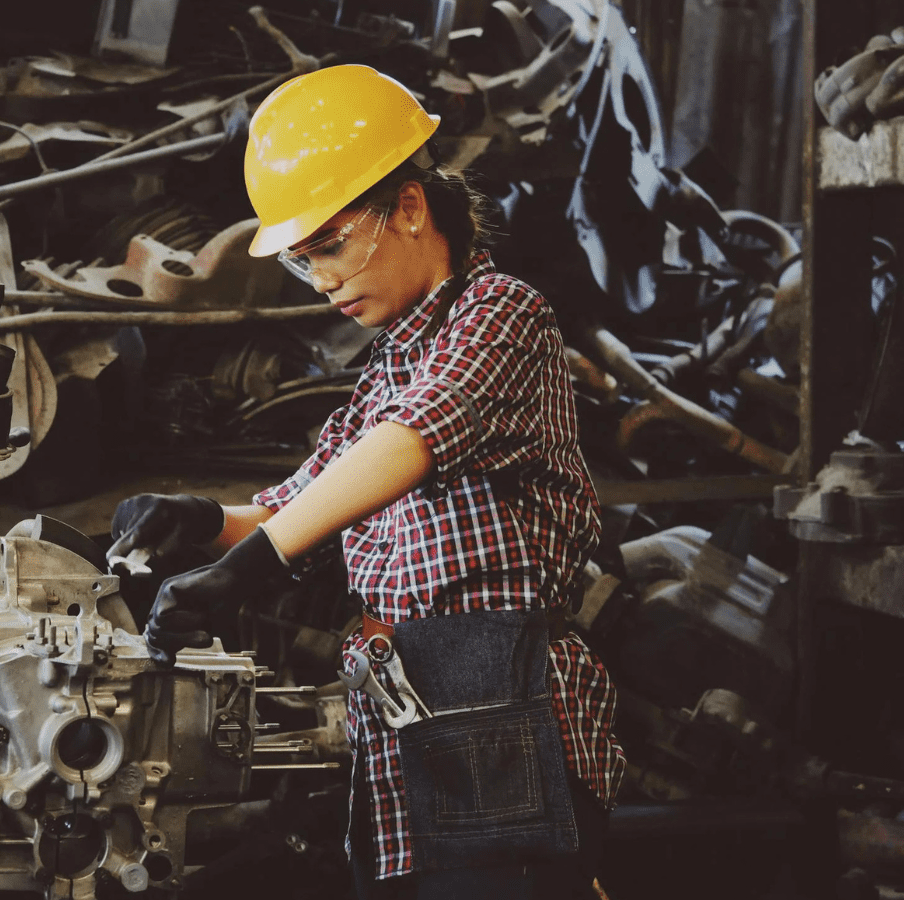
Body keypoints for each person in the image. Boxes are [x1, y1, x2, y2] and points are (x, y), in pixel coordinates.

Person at [107, 64, 625, 899]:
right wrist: (200, 520)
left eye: (331, 245)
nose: (321, 280)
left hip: (499, 703)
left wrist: (249, 567)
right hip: (402, 709)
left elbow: (411, 442)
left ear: (410, 208)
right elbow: (298, 505)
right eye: (302, 260)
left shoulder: (502, 313)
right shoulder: (387, 368)